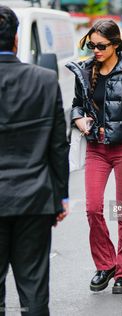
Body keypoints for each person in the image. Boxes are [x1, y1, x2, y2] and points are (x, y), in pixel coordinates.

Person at [66, 20, 122, 294]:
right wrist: (79, 120)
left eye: (101, 45)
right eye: (91, 45)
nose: (95, 50)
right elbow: (75, 106)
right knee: (92, 208)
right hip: (97, 148)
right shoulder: (84, 72)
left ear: (116, 44)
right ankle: (106, 264)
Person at [0, 5, 69, 315]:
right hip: (35, 197)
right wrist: (62, 195)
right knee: (34, 288)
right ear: (16, 39)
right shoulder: (44, 80)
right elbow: (58, 146)